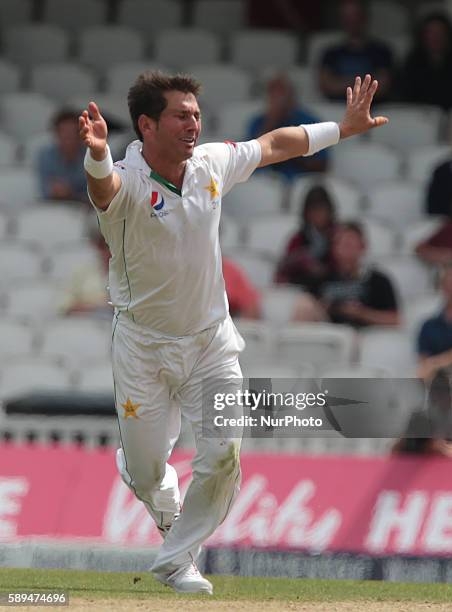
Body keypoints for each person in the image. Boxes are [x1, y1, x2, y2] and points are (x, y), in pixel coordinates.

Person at [79, 70, 387, 594]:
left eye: (197, 114)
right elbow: (101, 188)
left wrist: (342, 127)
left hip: (210, 342)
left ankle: (177, 561)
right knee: (151, 474)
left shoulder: (209, 164)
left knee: (223, 454)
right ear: (147, 125)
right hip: (142, 347)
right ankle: (141, 472)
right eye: (181, 115)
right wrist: (96, 155)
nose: (193, 124)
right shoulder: (128, 179)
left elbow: (272, 144)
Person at [293, 222, 399, 327]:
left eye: (350, 243)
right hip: (329, 331)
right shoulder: (321, 278)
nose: (345, 248)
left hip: (367, 334)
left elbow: (395, 319)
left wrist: (361, 313)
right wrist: (324, 307)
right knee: (304, 304)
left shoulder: (378, 280)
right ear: (333, 248)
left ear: (363, 247)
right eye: (340, 243)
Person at [247, 74, 328, 181]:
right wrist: (271, 121)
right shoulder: (258, 122)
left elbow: (321, 165)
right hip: (266, 182)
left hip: (298, 181)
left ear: (291, 96)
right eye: (273, 94)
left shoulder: (309, 122)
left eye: (282, 93)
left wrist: (292, 151)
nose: (278, 99)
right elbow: (250, 159)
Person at [319, 0, 394, 102]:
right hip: (338, 109)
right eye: (346, 16)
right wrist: (364, 84)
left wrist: (342, 83)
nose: (351, 20)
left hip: (373, 108)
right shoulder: (331, 53)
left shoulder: (381, 51)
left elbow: (383, 86)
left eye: (355, 15)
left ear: (364, 17)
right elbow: (327, 85)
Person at [275, 185, 337, 292]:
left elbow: (345, 268)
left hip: (333, 290)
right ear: (306, 213)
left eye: (322, 209)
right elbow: (284, 270)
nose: (318, 215)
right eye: (313, 210)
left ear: (329, 211)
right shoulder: (297, 239)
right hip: (302, 292)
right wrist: (303, 262)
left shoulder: (338, 236)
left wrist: (324, 270)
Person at [401, 13, 452, 111]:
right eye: (431, 32)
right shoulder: (412, 62)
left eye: (440, 32)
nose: (436, 37)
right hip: (421, 115)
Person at [36, 109, 88, 202]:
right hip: (54, 208)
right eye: (64, 133)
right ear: (56, 134)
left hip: (86, 210)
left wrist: (69, 192)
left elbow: (97, 194)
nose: (68, 138)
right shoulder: (45, 156)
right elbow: (46, 190)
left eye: (73, 133)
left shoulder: (92, 157)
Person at [417, 265, 452, 381]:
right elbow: (424, 361)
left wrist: (436, 362)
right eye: (448, 283)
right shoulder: (429, 325)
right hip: (440, 378)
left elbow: (430, 363)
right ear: (442, 286)